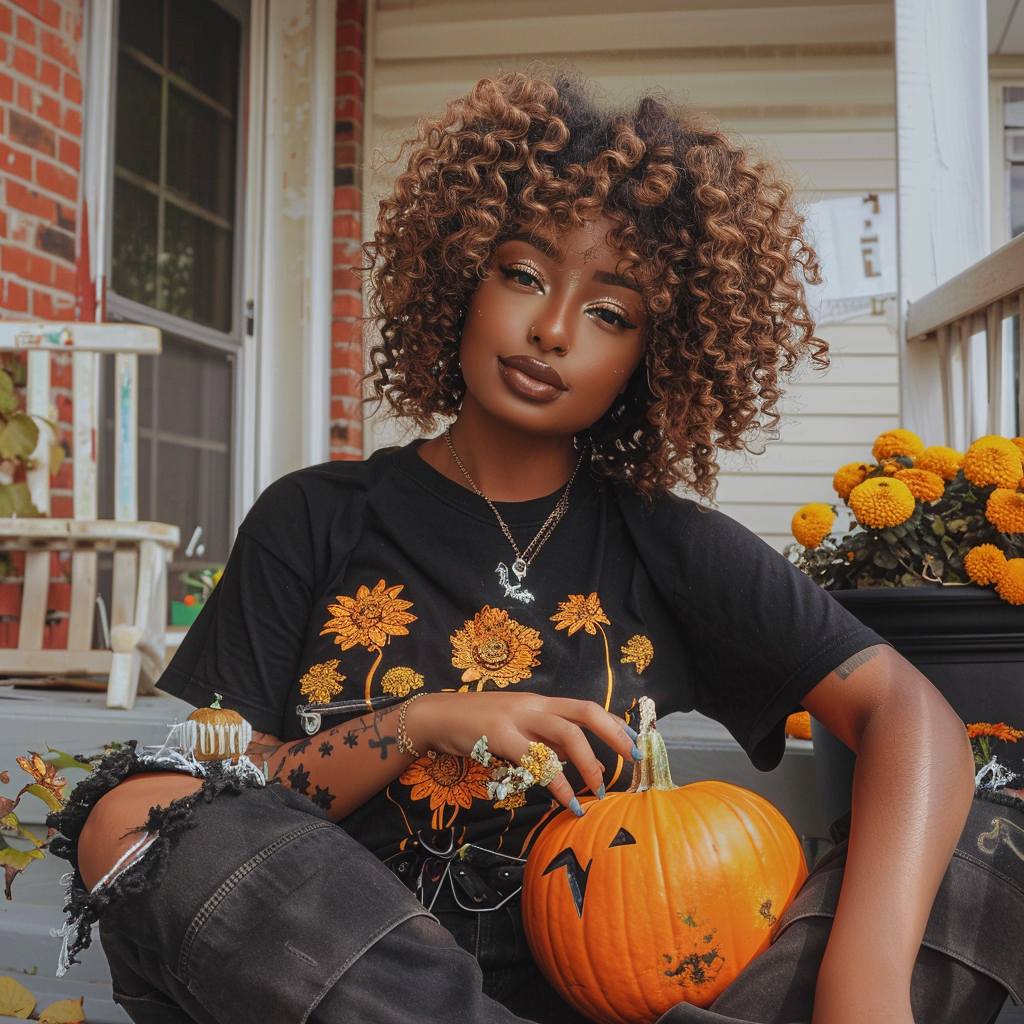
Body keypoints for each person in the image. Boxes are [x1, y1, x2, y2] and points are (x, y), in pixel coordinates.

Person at [49, 70, 986, 1024]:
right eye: (525, 274)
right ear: (459, 276)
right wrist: (423, 721)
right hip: (353, 986)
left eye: (610, 313)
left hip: (628, 988)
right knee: (140, 815)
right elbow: (231, 791)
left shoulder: (663, 539)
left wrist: (861, 985)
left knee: (989, 844)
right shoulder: (316, 516)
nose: (551, 329)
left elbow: (908, 711)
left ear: (652, 356)